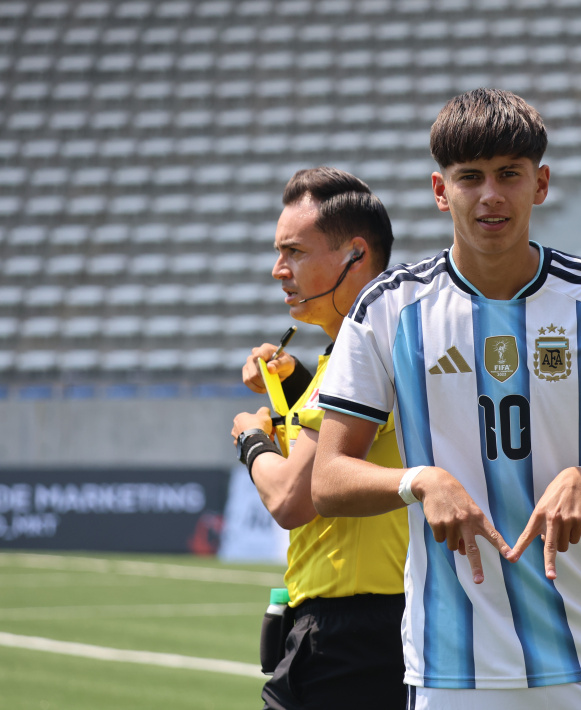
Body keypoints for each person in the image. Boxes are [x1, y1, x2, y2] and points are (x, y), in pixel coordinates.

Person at [311, 89, 581, 710]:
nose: (491, 194)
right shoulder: (387, 309)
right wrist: (420, 481)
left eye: (509, 175)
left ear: (540, 184)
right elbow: (328, 478)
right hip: (453, 666)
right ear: (440, 191)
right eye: (470, 178)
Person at [230, 167, 408, 710]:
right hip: (372, 627)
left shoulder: (365, 348)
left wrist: (251, 440)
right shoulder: (373, 344)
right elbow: (350, 433)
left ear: (355, 255)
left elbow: (291, 497)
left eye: (295, 252)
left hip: (348, 638)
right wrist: (301, 382)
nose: (278, 270)